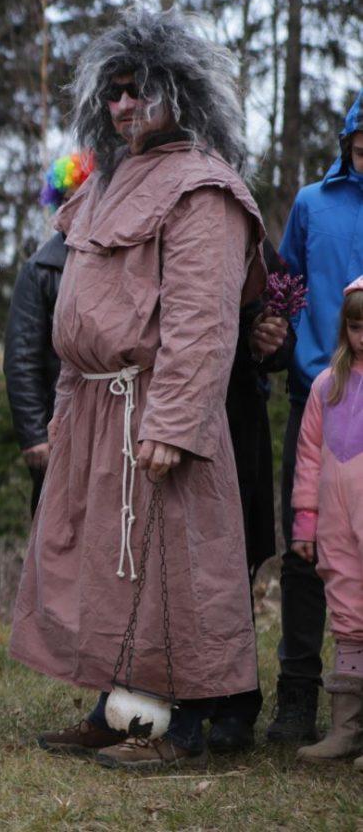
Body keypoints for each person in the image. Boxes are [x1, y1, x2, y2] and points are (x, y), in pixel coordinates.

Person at [11, 7, 266, 769]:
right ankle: (114, 710)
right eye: (114, 91)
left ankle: (179, 732)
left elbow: (202, 321)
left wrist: (174, 424)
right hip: (97, 408)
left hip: (154, 409)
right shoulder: (102, 185)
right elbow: (77, 315)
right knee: (108, 567)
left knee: (174, 570)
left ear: (180, 93)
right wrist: (64, 413)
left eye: (140, 89)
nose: (124, 104)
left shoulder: (203, 189)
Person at [270, 88, 363, 743]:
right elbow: (285, 290)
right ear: (348, 141)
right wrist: (293, 355)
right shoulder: (312, 205)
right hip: (320, 397)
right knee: (305, 550)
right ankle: (299, 697)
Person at [205, 241, 294, 752]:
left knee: (231, 564)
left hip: (236, 421)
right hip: (162, 411)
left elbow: (282, 335)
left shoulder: (249, 239)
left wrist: (268, 341)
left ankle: (235, 703)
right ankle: (171, 695)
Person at [290, 278, 363, 767]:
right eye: (356, 327)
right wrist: (305, 524)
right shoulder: (326, 386)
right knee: (349, 617)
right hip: (338, 527)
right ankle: (346, 730)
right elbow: (308, 458)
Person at [4, 153, 93, 514]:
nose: (80, 208)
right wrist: (33, 436)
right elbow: (21, 358)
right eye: (70, 199)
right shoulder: (40, 269)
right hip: (56, 429)